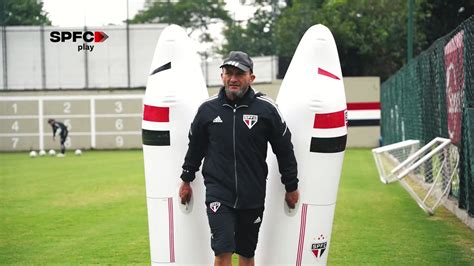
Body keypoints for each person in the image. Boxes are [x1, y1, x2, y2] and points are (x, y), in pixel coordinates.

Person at [179, 51, 299, 266]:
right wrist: (186, 179)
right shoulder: (207, 110)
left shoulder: (267, 109)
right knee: (222, 249)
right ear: (222, 76)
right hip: (218, 192)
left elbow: (284, 148)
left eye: (239, 74)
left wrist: (291, 185)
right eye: (228, 73)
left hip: (252, 193)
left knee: (246, 252)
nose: (233, 78)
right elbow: (195, 147)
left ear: (251, 78)